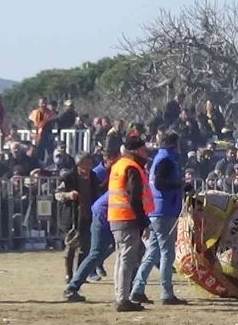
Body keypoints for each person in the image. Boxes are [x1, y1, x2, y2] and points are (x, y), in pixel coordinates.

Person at [130, 133, 186, 305]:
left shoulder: (159, 159)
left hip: (156, 211)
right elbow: (162, 184)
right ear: (173, 145)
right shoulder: (167, 161)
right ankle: (166, 293)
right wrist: (179, 185)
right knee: (167, 254)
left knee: (152, 252)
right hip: (165, 211)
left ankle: (137, 289)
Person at [108, 136, 154, 312]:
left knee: (121, 259)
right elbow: (135, 198)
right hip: (128, 218)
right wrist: (143, 223)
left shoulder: (118, 166)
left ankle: (120, 296)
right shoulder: (132, 168)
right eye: (142, 151)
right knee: (127, 261)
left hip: (116, 217)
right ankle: (123, 299)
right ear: (134, 152)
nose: (145, 154)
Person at [54, 153, 100, 285]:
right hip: (73, 217)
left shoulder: (93, 177)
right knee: (71, 247)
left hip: (88, 216)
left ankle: (81, 274)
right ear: (78, 164)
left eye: (90, 163)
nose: (88, 166)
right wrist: (69, 195)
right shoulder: (69, 177)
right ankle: (69, 274)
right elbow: (57, 194)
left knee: (86, 247)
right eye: (85, 163)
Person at [62, 192, 115, 301]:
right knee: (96, 254)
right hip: (104, 216)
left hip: (109, 214)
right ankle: (72, 288)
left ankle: (134, 290)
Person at [28, 97, 55, 163]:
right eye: (42, 103)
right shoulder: (35, 112)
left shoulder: (50, 113)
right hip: (38, 135)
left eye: (45, 103)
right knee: (39, 153)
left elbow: (54, 124)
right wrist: (31, 132)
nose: (44, 105)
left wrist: (53, 134)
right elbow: (29, 123)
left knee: (50, 153)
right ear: (39, 104)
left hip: (48, 135)